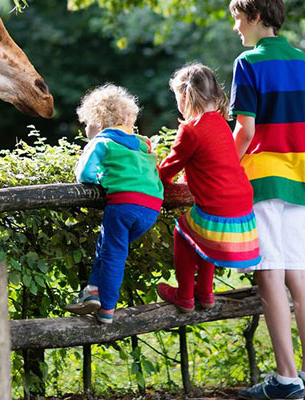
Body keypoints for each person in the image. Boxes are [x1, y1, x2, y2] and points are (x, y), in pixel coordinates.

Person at [229, 0, 305, 400]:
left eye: (237, 18)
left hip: (261, 181)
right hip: (296, 178)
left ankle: (286, 380)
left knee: (269, 271)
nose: (235, 27)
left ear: (254, 17)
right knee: (298, 273)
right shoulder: (302, 61)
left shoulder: (247, 62)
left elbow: (245, 129)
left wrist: (227, 166)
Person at [157, 63, 261, 313]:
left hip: (219, 207)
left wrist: (155, 182)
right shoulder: (222, 125)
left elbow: (168, 167)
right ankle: (205, 292)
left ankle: (184, 294)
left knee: (183, 231)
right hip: (243, 204)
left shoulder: (190, 130)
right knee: (203, 234)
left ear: (184, 98)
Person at [65, 84, 163, 324]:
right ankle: (92, 292)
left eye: (87, 123)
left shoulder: (102, 141)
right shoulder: (143, 144)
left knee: (112, 255)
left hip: (123, 205)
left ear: (98, 121)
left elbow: (85, 174)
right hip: (151, 208)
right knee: (108, 247)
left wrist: (99, 177)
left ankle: (106, 309)